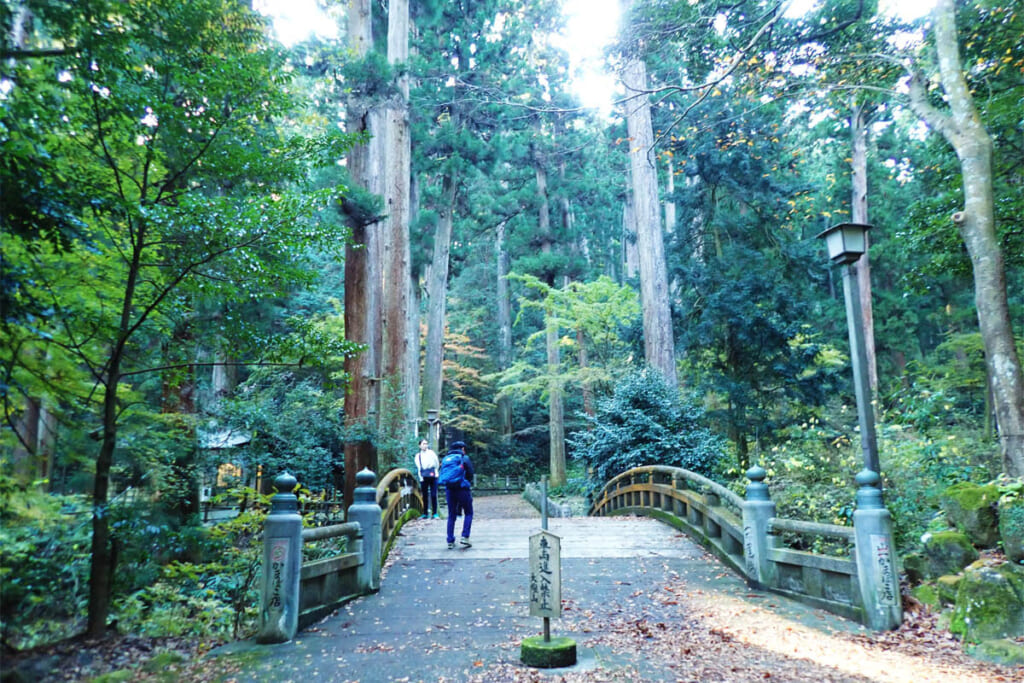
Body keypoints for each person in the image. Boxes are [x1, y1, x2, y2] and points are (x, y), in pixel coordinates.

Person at [439, 441, 474, 549]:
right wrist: (467, 482)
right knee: (468, 512)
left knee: (451, 515)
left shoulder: (446, 460)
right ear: (462, 448)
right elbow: (470, 473)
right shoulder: (464, 458)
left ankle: (450, 540)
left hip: (449, 489)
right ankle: (465, 537)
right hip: (462, 488)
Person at [414, 439, 440, 519]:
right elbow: (419, 467)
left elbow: (436, 463)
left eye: (426, 443)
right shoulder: (418, 456)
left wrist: (435, 472)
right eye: (423, 444)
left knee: (433, 494)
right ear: (420, 445)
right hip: (423, 476)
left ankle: (435, 513)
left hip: (433, 475)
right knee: (424, 495)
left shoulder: (431, 453)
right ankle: (425, 513)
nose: (425, 445)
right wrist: (421, 476)